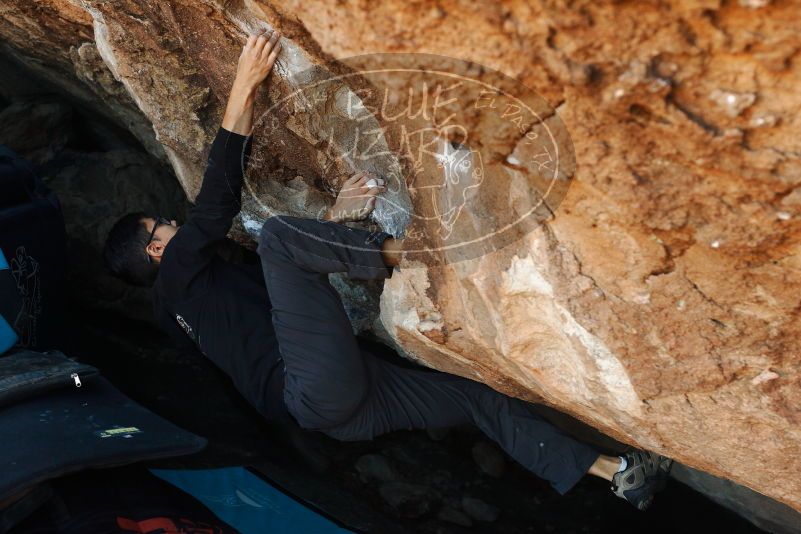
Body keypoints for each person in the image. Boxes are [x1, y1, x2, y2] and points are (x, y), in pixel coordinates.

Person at [103, 29, 671, 510]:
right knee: (276, 234)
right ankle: (417, 251)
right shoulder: (178, 275)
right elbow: (218, 202)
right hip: (314, 387)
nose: (174, 226)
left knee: (476, 399)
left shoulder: (186, 304)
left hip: (336, 410)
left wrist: (334, 218)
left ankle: (618, 473)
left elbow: (286, 302)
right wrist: (244, 85)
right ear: (155, 251)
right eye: (164, 226)